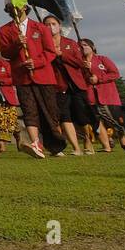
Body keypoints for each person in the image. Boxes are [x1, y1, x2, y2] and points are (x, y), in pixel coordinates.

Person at [0, 1, 66, 159]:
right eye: (12, 7)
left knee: (50, 111)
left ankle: (55, 143)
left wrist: (36, 62)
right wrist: (16, 44)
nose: (16, 9)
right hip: (22, 77)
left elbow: (50, 51)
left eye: (19, 6)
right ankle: (36, 143)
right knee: (30, 111)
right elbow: (6, 53)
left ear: (25, 8)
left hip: (44, 76)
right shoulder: (4, 30)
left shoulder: (40, 28)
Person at [43, 15, 87, 156]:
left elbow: (80, 62)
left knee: (81, 117)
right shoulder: (43, 44)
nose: (51, 26)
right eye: (47, 24)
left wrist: (61, 55)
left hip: (74, 85)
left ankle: (86, 143)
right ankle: (67, 147)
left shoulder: (70, 43)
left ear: (59, 25)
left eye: (53, 23)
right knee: (61, 116)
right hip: (55, 84)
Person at [81, 38, 125, 151]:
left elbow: (115, 74)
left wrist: (99, 78)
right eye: (80, 46)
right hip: (91, 96)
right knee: (97, 122)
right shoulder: (79, 63)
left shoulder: (103, 59)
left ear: (92, 47)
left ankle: (121, 135)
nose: (83, 47)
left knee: (114, 120)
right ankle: (106, 146)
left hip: (108, 96)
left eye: (85, 45)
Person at [0, 53, 21, 154]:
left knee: (13, 123)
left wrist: (1, 81)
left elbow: (14, 78)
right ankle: (2, 146)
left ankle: (18, 140)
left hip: (8, 97)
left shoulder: (5, 64)